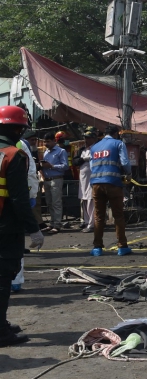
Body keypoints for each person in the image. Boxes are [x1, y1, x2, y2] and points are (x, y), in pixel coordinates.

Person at [0, 105, 44, 347]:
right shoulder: (13, 155)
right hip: (6, 226)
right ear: (18, 130)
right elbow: (18, 198)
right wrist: (34, 228)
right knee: (4, 277)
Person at [89, 125, 132, 257]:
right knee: (118, 215)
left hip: (96, 183)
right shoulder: (118, 143)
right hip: (113, 183)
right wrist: (129, 174)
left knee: (99, 216)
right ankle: (122, 246)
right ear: (116, 134)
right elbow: (124, 161)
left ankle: (97, 247)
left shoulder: (94, 147)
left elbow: (91, 166)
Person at [11, 132, 40, 292]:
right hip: (13, 203)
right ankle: (15, 280)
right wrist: (31, 195)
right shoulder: (20, 145)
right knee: (14, 242)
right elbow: (30, 173)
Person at [41, 131, 69, 234]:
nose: (46, 144)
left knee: (56, 202)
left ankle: (57, 224)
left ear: (54, 141)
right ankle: (52, 223)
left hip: (56, 179)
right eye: (45, 142)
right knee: (49, 202)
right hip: (47, 179)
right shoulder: (46, 152)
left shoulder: (61, 151)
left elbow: (65, 166)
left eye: (48, 141)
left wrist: (52, 166)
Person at [73, 127, 97, 233]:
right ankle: (86, 222)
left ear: (93, 138)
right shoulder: (82, 150)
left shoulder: (96, 148)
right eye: (85, 138)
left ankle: (92, 223)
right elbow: (75, 161)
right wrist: (83, 159)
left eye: (88, 138)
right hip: (83, 178)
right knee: (84, 199)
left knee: (91, 200)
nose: (86, 140)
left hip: (92, 177)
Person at [23, 130, 47, 230]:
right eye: (32, 140)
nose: (34, 142)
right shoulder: (23, 149)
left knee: (36, 202)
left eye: (35, 140)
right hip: (25, 180)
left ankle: (38, 222)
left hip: (34, 180)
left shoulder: (34, 151)